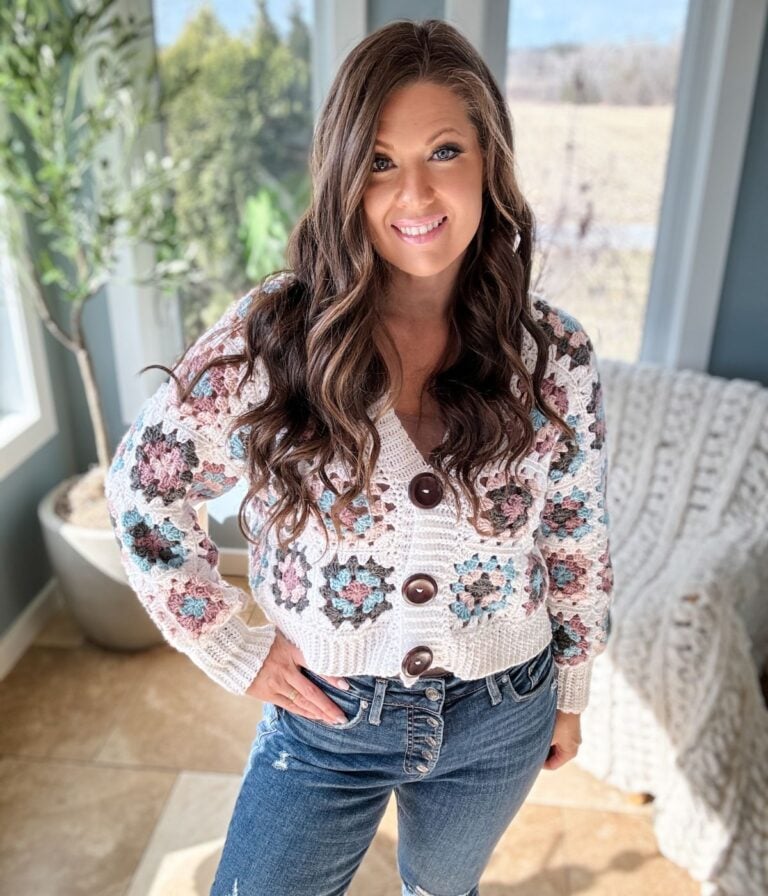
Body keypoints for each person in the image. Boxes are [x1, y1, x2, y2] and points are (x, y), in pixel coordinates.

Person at [105, 18, 614, 896]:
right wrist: (227, 643)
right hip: (325, 720)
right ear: (344, 174)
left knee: (439, 890)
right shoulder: (276, 334)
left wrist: (570, 684)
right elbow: (145, 487)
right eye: (380, 161)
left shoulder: (552, 354)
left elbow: (574, 533)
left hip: (503, 709)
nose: (414, 192)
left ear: (489, 162)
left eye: (445, 150)